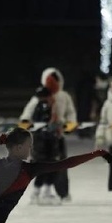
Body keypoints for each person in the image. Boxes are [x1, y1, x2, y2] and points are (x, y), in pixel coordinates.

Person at [19, 67, 77, 202]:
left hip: (58, 135)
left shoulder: (64, 96)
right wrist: (25, 121)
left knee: (61, 165)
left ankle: (62, 192)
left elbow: (71, 111)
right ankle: (43, 190)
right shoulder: (39, 98)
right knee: (45, 164)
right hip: (41, 138)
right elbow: (28, 111)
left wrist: (70, 124)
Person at [27, 86, 61, 205]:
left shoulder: (50, 107)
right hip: (41, 142)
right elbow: (38, 124)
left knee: (51, 166)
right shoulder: (41, 107)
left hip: (49, 141)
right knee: (42, 167)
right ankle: (36, 193)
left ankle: (47, 191)